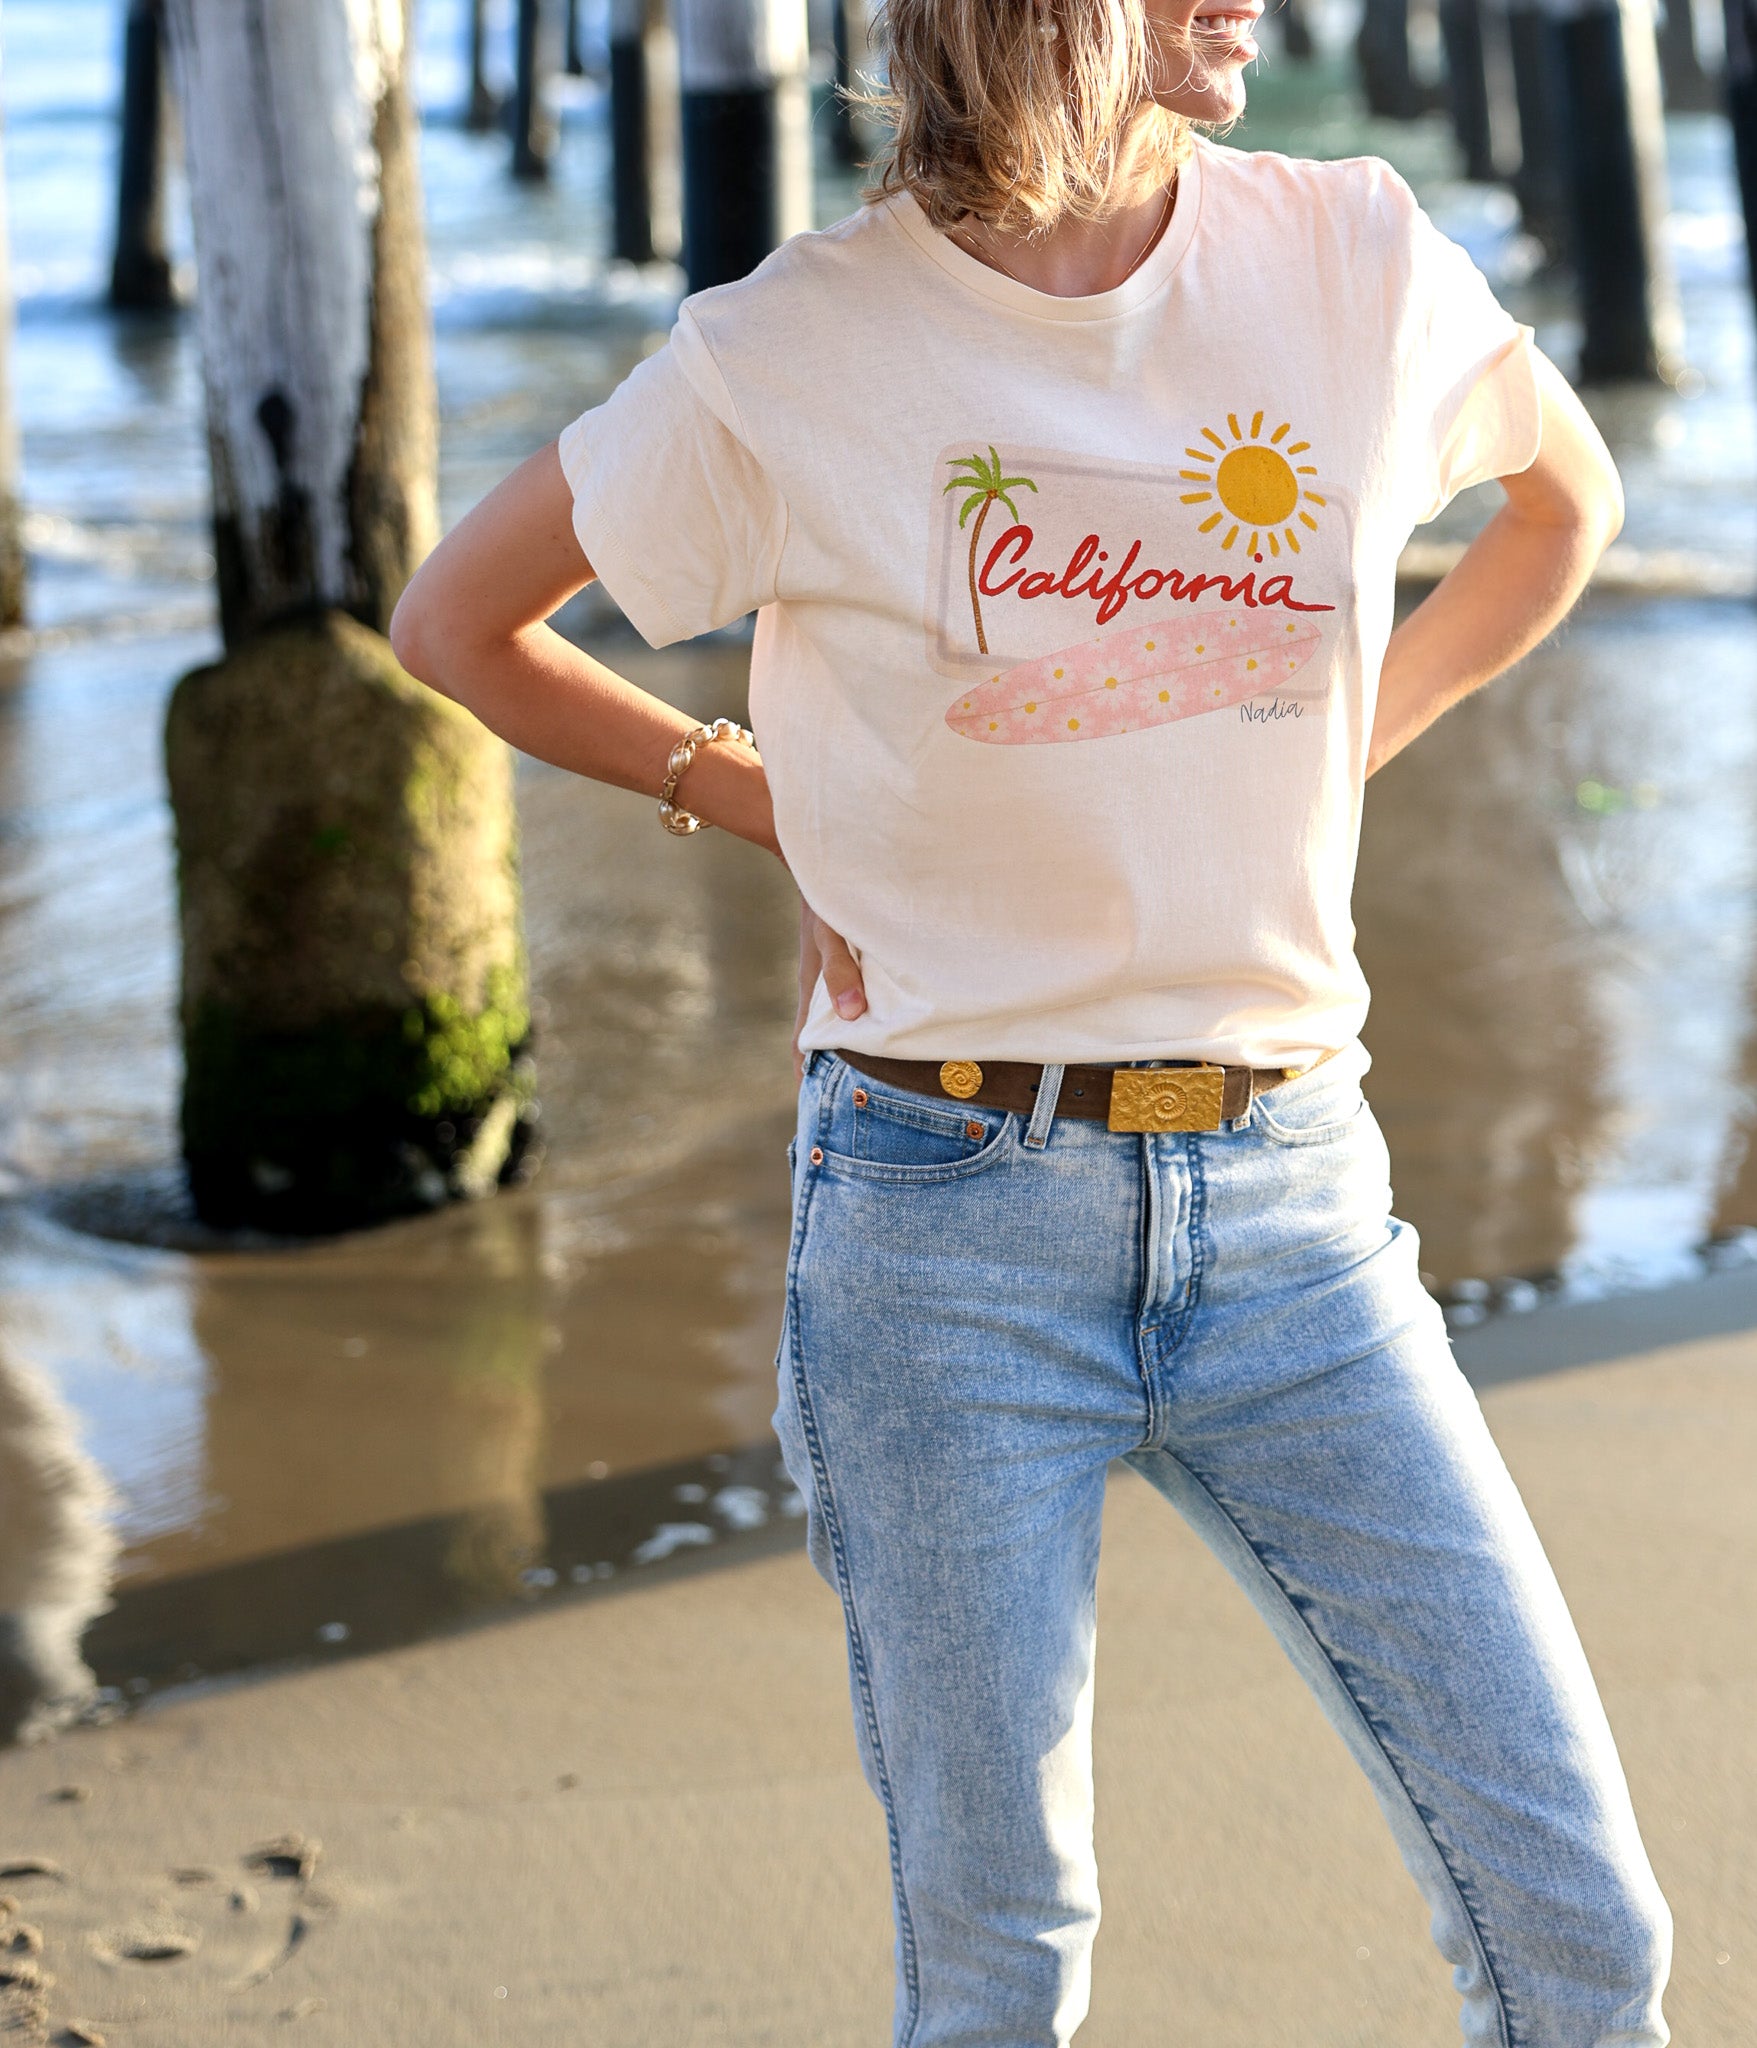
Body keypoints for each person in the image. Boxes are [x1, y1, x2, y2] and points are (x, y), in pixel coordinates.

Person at [389, 0, 1673, 2038]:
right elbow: (457, 621)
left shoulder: (1349, 254)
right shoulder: (792, 347)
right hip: (938, 1231)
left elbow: (1563, 511)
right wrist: (755, 795)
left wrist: (1345, 753)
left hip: (1298, 1217)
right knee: (1001, 1970)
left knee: (1587, 1934)